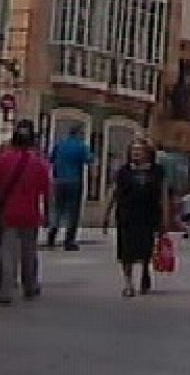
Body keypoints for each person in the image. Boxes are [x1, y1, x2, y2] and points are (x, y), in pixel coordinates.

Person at [0, 120, 51, 305]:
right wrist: (48, 215)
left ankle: (5, 291)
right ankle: (30, 285)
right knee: (29, 252)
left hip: (8, 213)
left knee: (7, 253)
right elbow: (47, 190)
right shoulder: (40, 163)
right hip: (31, 213)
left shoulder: (2, 159)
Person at [104, 136, 169, 297]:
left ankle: (145, 272)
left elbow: (164, 194)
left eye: (139, 150)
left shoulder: (157, 171)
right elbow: (113, 192)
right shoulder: (123, 171)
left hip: (148, 215)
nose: (136, 153)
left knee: (146, 249)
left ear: (148, 153)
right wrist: (106, 214)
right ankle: (128, 283)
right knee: (126, 251)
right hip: (126, 216)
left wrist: (166, 218)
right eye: (133, 150)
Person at [46, 123, 92, 251]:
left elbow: (51, 159)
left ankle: (52, 233)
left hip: (59, 180)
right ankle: (69, 240)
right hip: (74, 181)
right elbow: (89, 159)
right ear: (78, 134)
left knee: (57, 208)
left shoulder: (60, 144)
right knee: (73, 212)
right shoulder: (81, 146)